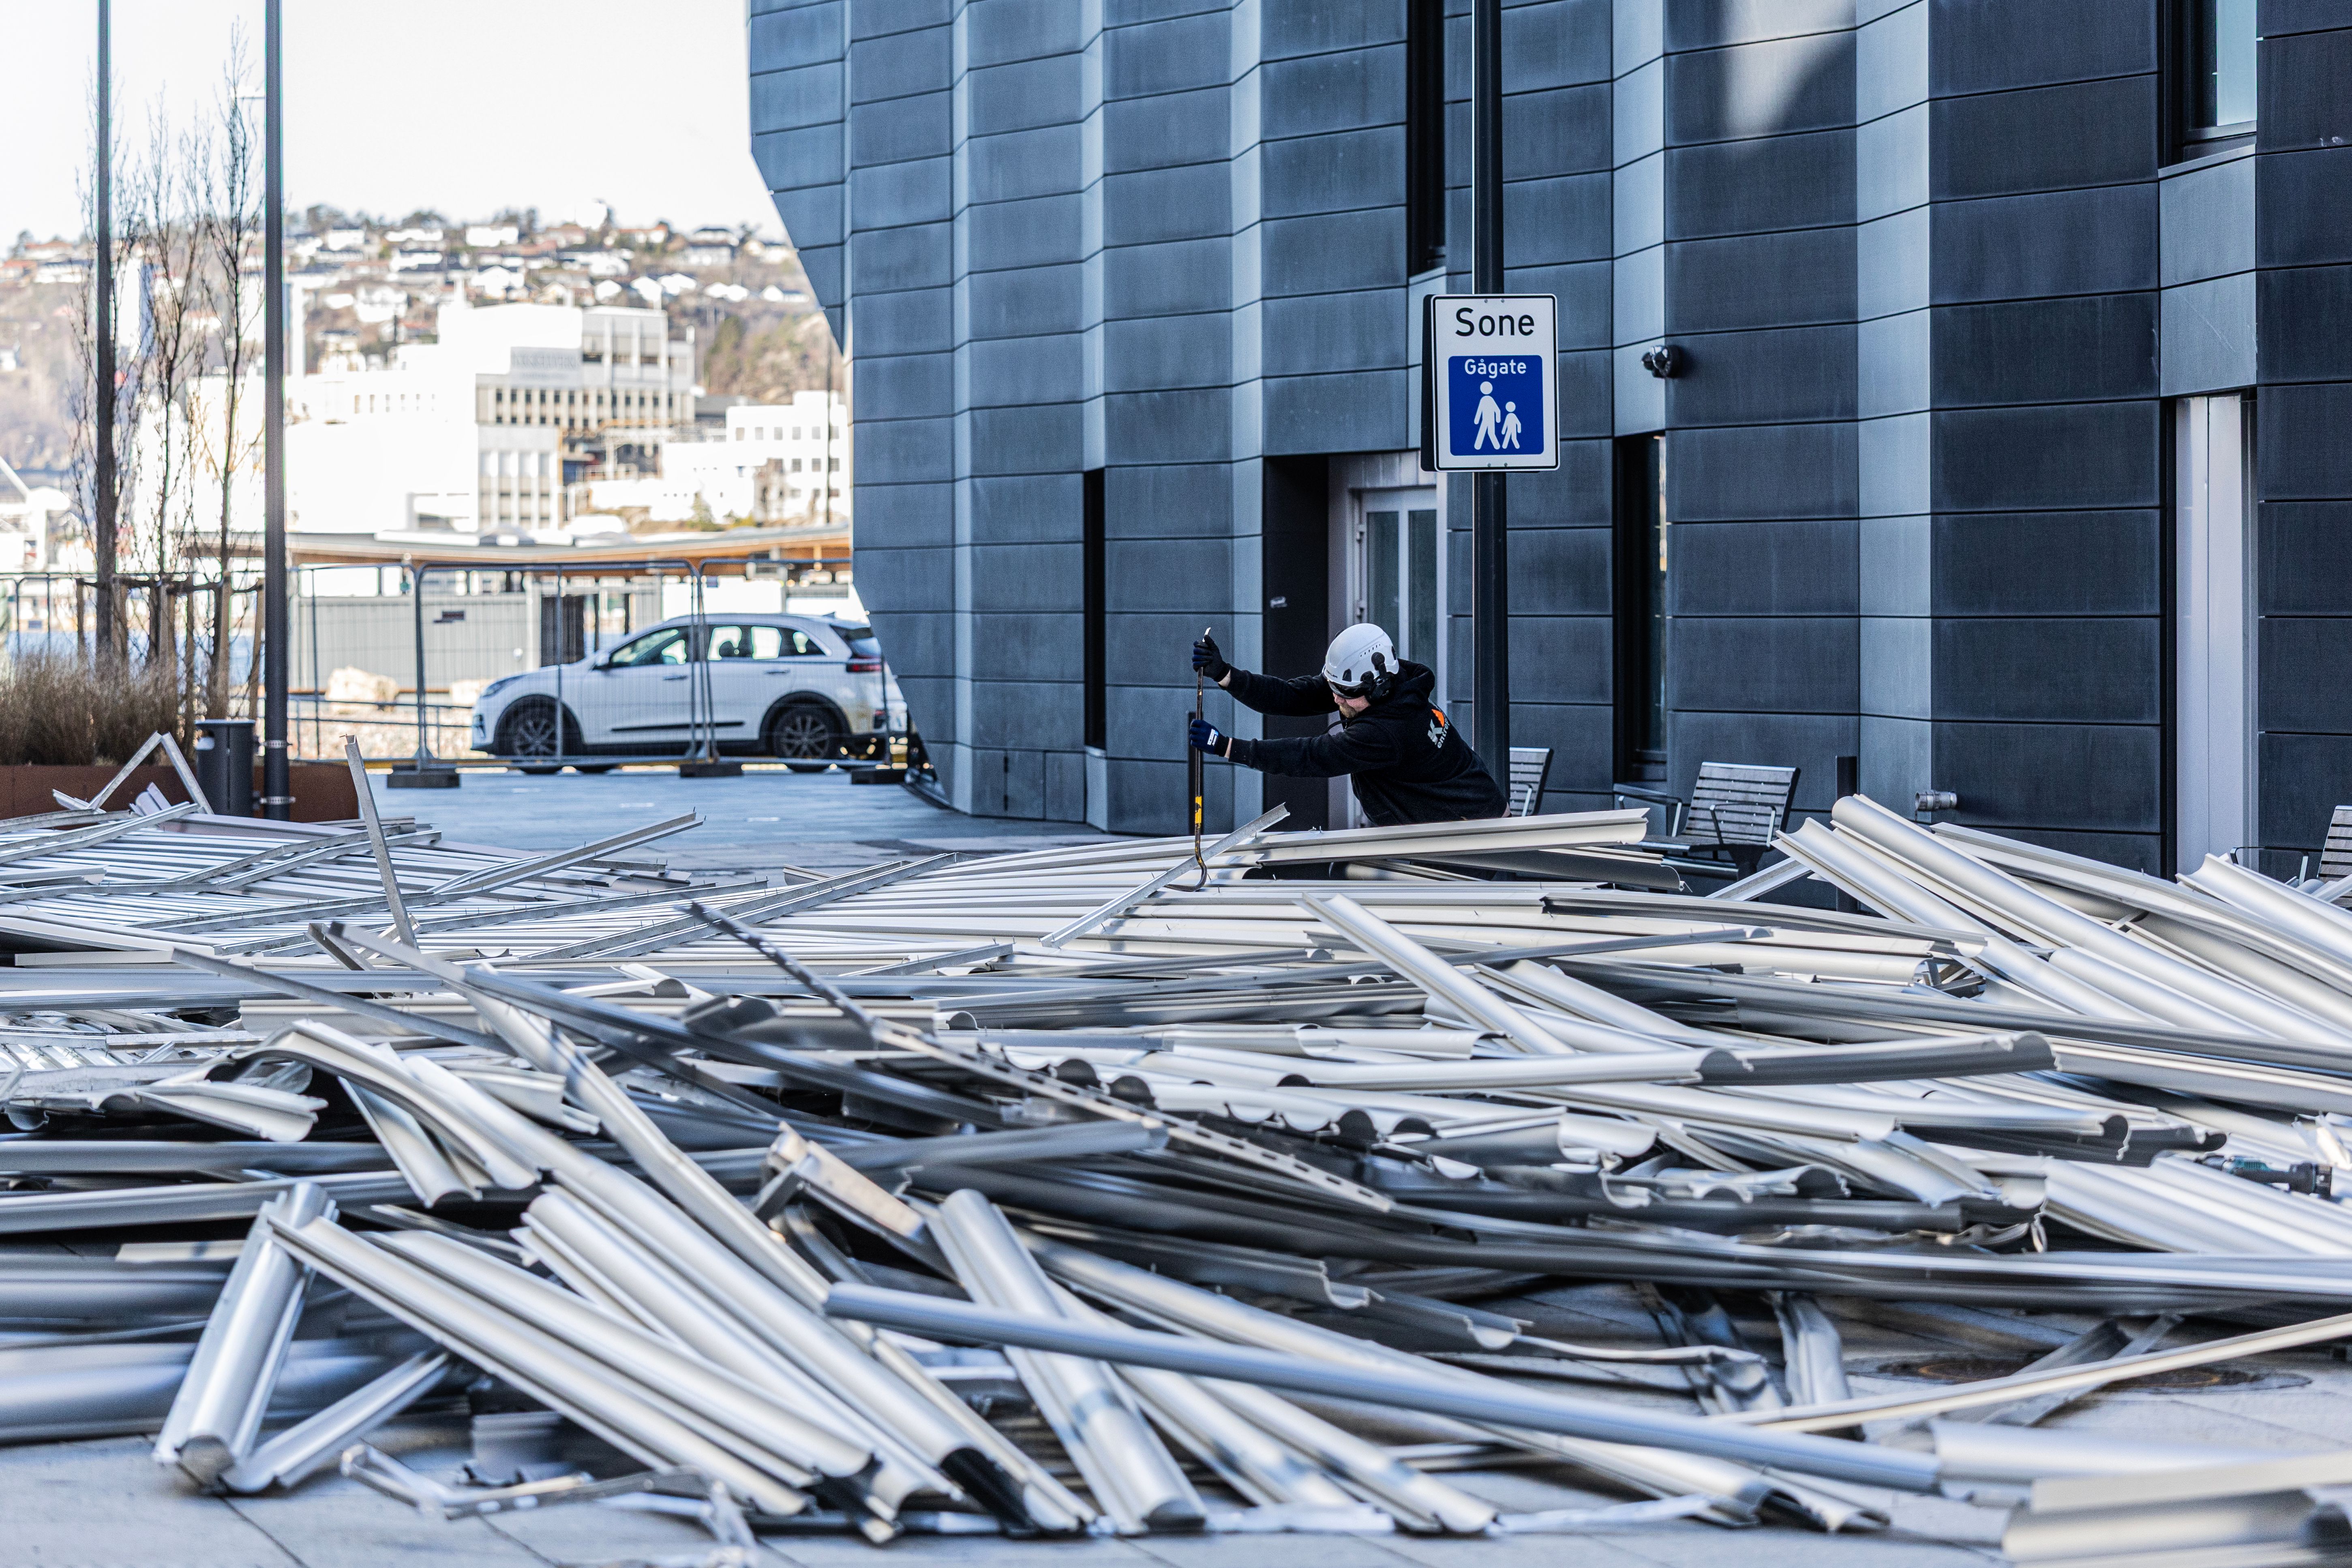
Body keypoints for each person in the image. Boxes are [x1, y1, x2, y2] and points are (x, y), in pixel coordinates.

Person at [1187, 624, 1506, 827]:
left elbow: (1312, 756)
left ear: (1378, 687)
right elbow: (1291, 696)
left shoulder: (1389, 731)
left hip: (1475, 833)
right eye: (1335, 692)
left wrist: (1227, 747)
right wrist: (1225, 674)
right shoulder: (1390, 685)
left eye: (1345, 696)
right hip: (1442, 824)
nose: (1337, 702)